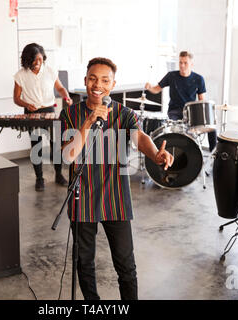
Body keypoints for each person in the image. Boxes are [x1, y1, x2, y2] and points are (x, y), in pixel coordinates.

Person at [60, 57, 174, 300]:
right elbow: (69, 156)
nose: (97, 85)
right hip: (83, 198)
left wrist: (155, 154)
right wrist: (89, 122)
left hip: (115, 198)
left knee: (126, 266)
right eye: (92, 79)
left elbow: (140, 137)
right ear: (85, 81)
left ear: (112, 84)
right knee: (84, 264)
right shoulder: (70, 114)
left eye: (104, 80)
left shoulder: (124, 113)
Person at [13, 43, 73, 191]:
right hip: (31, 112)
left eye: (40, 59)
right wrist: (26, 104)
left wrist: (66, 96)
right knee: (36, 146)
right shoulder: (20, 75)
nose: (38, 63)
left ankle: (59, 175)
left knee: (56, 144)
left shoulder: (50, 71)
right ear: (28, 60)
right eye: (35, 60)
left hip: (49, 110)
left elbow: (60, 88)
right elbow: (16, 98)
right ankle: (39, 179)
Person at [145, 51, 217, 151]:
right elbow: (157, 89)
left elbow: (202, 101)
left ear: (191, 64)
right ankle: (175, 152)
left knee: (212, 127)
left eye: (185, 63)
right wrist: (150, 88)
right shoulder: (171, 76)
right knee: (175, 130)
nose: (182, 65)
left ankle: (214, 155)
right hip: (174, 112)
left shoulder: (199, 79)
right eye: (180, 62)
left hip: (192, 113)